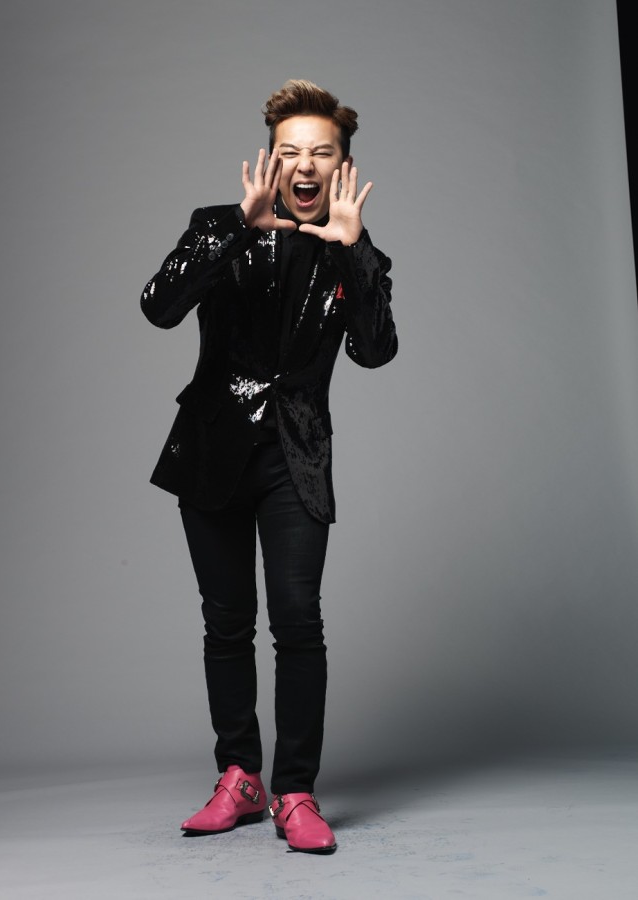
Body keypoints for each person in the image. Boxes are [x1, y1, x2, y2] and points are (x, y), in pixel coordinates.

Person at [140, 79, 397, 854]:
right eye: (291, 152)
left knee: (297, 621)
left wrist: (353, 250)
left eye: (322, 152)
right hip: (211, 451)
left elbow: (375, 351)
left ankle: (294, 791)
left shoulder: (353, 248)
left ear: (342, 164)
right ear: (271, 159)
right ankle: (239, 777)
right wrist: (233, 233)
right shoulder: (216, 226)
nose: (305, 165)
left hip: (297, 457)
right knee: (226, 622)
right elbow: (158, 305)